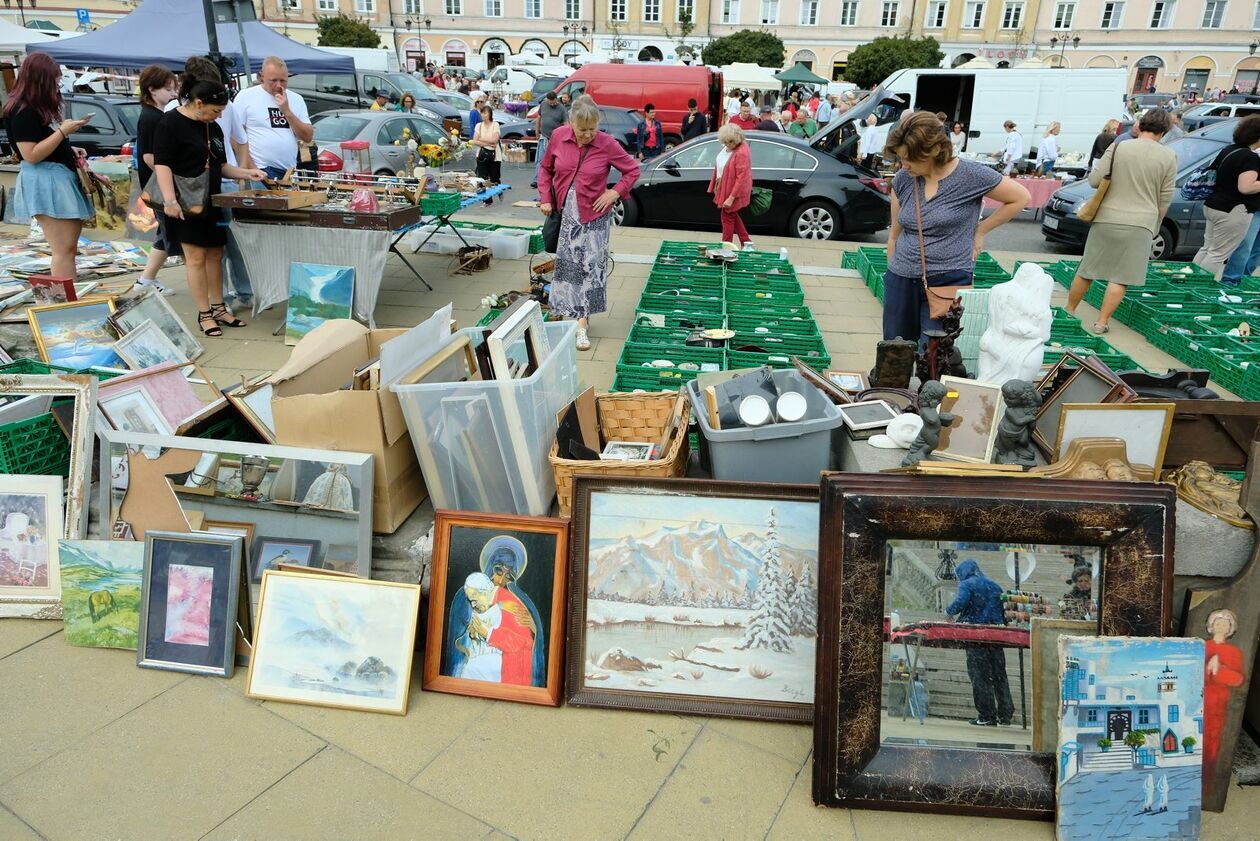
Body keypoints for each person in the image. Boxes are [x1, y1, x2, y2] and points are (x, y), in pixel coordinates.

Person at [882, 111, 1029, 345]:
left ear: (932, 150)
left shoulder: (971, 175)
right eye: (901, 158)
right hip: (901, 278)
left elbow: (1020, 198)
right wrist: (892, 273)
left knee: (934, 354)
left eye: (910, 158)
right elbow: (894, 235)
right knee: (895, 351)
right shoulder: (903, 179)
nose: (904, 165)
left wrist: (980, 231)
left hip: (947, 278)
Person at [153, 80, 265, 339]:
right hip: (184, 202)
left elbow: (221, 165)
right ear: (198, 103)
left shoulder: (212, 127)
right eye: (216, 110)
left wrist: (247, 171)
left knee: (216, 254)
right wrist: (170, 201)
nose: (220, 115)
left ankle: (219, 308)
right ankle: (204, 313)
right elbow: (162, 164)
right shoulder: (170, 123)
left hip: (211, 199)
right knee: (195, 258)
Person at [538, 96, 640, 352]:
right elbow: (545, 169)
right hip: (567, 215)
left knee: (590, 269)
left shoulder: (607, 144)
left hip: (595, 217)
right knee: (569, 268)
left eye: (592, 129)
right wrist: (546, 198)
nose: (586, 135)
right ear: (571, 123)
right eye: (582, 130)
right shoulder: (559, 137)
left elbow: (632, 170)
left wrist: (614, 193)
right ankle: (569, 314)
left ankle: (582, 322)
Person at [1066, 109, 1176, 334]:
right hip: (1141, 222)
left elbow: (1095, 180)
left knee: (1087, 269)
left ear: (1140, 125)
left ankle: (1069, 310)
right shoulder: (1169, 156)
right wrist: (1154, 227)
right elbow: (1165, 199)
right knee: (1120, 277)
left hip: (1108, 217)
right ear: (1164, 132)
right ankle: (1101, 322)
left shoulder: (1118, 147)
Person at [3, 51, 93, 282]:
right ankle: (66, 305)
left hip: (54, 178)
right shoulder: (24, 110)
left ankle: (68, 301)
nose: (58, 83)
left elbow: (41, 143)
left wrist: (67, 146)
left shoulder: (34, 107)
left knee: (68, 249)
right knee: (63, 250)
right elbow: (30, 154)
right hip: (46, 181)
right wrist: (63, 131)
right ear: (41, 79)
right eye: (54, 78)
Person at [946, 559, 1015, 727]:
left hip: (976, 637)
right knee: (1000, 676)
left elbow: (961, 602)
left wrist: (950, 612)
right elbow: (1003, 610)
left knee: (980, 677)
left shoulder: (967, 584)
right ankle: (1005, 714)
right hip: (995, 637)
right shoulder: (995, 586)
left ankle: (986, 715)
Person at [1193, 115, 1260, 279]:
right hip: (1233, 210)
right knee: (1217, 254)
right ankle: (1199, 287)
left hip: (1213, 205)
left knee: (1207, 248)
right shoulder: (1249, 157)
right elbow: (1245, 187)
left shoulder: (1229, 150)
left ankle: (1188, 281)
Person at [133, 63, 179, 296]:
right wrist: (169, 176)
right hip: (157, 186)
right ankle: (145, 280)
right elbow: (150, 157)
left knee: (164, 232)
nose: (173, 93)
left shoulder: (155, 115)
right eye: (168, 89)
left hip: (157, 185)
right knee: (169, 232)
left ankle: (146, 279)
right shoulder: (151, 117)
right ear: (152, 89)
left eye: (174, 89)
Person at [234, 56, 313, 181]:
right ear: (262, 76)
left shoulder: (296, 99)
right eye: (273, 80)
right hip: (260, 169)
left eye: (283, 81)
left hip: (290, 172)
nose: (279, 85)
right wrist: (252, 167)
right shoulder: (246, 96)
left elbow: (308, 136)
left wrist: (287, 111)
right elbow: (235, 136)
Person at [1203, 608, 1245, 773]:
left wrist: (1219, 670)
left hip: (1219, 701)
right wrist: (1207, 669)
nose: (1221, 626)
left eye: (1225, 624)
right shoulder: (1202, 646)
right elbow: (1191, 672)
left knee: (1213, 739)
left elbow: (1238, 679)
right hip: (1199, 698)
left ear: (1230, 629)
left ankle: (1209, 774)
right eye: (1217, 623)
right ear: (1211, 626)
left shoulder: (1234, 652)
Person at [708, 124, 754, 252]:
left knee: (727, 216)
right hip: (725, 186)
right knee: (732, 215)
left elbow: (741, 178)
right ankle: (747, 243)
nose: (728, 145)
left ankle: (726, 248)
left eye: (730, 142)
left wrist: (731, 198)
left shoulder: (741, 152)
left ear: (737, 139)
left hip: (733, 190)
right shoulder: (732, 146)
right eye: (726, 142)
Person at [532, 90, 567, 189]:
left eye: (553, 102)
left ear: (556, 99)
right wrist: (537, 131)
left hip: (555, 139)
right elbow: (539, 118)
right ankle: (536, 180)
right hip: (543, 136)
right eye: (550, 102)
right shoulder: (543, 104)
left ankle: (552, 180)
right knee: (540, 159)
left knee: (554, 161)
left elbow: (566, 123)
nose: (552, 104)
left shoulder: (561, 108)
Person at [472, 104, 501, 204]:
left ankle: (499, 191)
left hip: (494, 156)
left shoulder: (495, 124)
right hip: (481, 155)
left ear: (490, 114)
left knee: (494, 178)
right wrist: (487, 143)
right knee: (482, 178)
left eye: (486, 113)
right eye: (482, 113)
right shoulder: (478, 126)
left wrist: (481, 139)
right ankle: (487, 200)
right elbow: (474, 140)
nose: (483, 115)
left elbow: (495, 140)